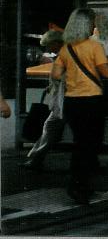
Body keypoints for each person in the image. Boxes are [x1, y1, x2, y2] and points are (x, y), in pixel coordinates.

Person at [51, 8, 108, 205]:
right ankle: (81, 186)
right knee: (91, 145)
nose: (95, 26)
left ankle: (77, 184)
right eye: (92, 22)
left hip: (72, 102)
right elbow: (107, 74)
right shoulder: (94, 47)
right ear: (86, 25)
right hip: (92, 101)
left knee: (80, 143)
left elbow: (55, 75)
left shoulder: (66, 49)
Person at [24, 30, 67, 170]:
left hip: (63, 101)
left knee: (49, 128)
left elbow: (63, 78)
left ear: (56, 43)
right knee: (50, 129)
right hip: (63, 100)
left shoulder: (64, 57)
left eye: (49, 45)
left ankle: (35, 158)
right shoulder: (64, 55)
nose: (48, 49)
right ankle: (35, 158)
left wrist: (54, 84)